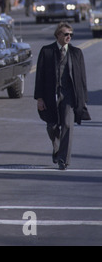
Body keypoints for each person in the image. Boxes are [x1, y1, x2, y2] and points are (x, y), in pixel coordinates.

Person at [34, 22, 90, 170]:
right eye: (66, 34)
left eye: (71, 34)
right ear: (58, 35)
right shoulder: (46, 51)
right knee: (52, 127)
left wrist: (83, 99)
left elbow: (82, 78)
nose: (69, 37)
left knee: (67, 125)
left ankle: (63, 160)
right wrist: (39, 98)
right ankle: (57, 148)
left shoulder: (76, 53)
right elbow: (39, 76)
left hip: (69, 96)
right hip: (50, 95)